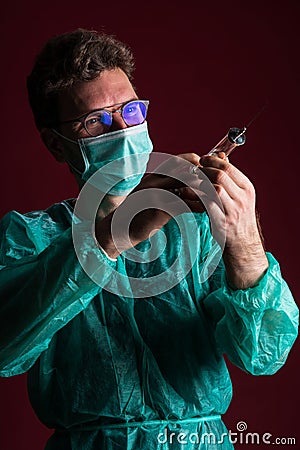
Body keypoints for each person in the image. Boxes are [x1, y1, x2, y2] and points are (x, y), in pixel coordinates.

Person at [0, 28, 298, 450]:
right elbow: (6, 348)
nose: (122, 129)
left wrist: (245, 241)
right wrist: (117, 232)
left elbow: (263, 355)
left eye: (132, 111)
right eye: (96, 121)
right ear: (55, 144)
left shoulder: (194, 227)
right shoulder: (30, 240)